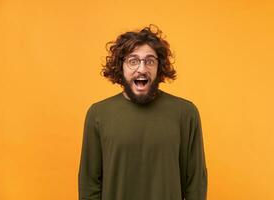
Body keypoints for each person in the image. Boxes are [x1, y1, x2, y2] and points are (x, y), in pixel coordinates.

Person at [78, 24, 208, 200]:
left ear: (159, 67)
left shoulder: (185, 113)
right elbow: (89, 182)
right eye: (133, 61)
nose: (142, 69)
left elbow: (195, 183)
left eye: (149, 61)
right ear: (121, 66)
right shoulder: (98, 114)